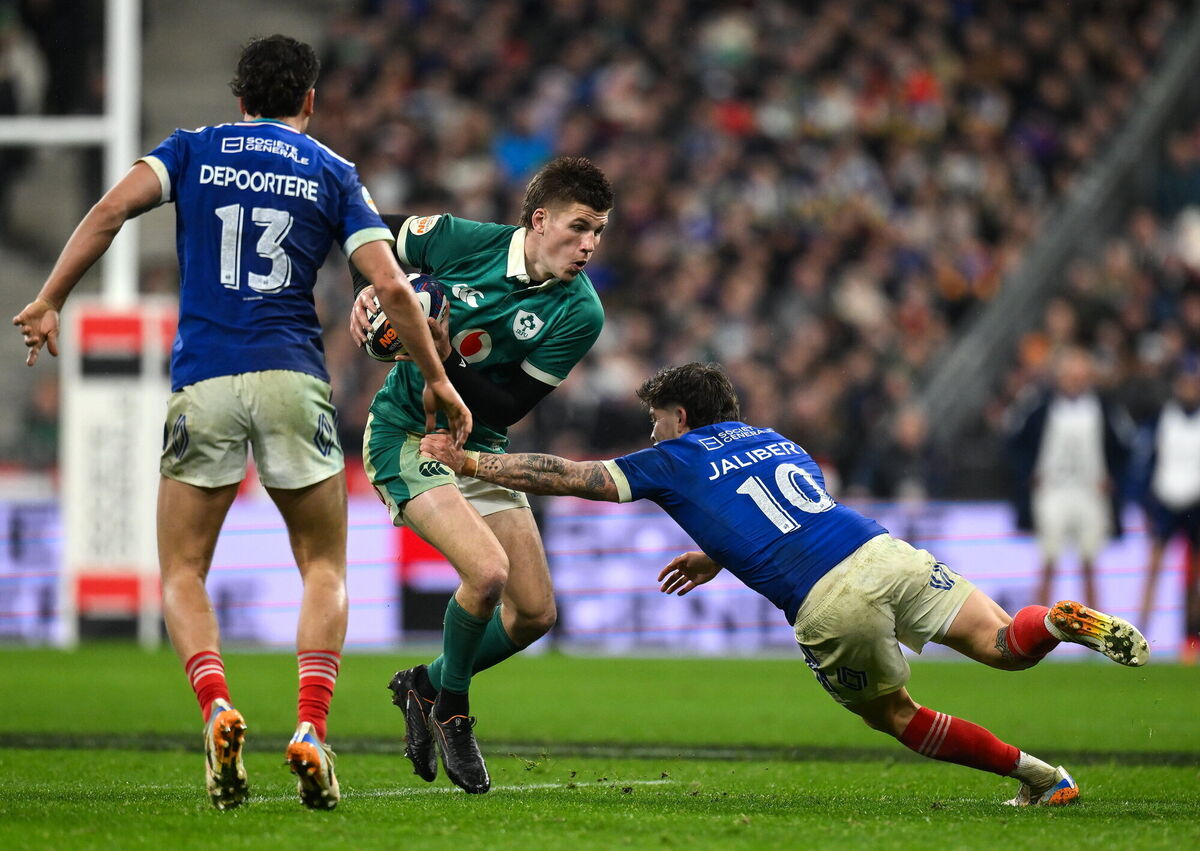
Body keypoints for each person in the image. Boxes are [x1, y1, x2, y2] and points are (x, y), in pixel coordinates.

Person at [11, 34, 470, 811]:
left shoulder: (190, 150)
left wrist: (52, 297)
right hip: (293, 373)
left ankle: (218, 707)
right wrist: (435, 377)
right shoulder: (330, 170)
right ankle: (311, 729)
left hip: (205, 378)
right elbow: (391, 284)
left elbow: (110, 208)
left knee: (183, 569)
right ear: (311, 101)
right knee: (322, 565)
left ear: (239, 97)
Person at [420, 362, 1150, 805]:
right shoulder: (774, 439)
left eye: (654, 419)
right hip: (881, 548)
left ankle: (1041, 774)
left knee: (898, 715)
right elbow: (775, 507)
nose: (650, 434)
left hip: (831, 602)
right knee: (1002, 643)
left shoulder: (674, 456)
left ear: (680, 414)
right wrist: (714, 554)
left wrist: (475, 463)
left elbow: (574, 475)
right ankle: (1055, 622)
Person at [347, 155, 612, 794]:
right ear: (540, 220)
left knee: (535, 614)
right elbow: (363, 226)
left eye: (599, 232)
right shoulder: (462, 243)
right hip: (407, 436)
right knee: (488, 572)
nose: (589, 246)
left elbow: (507, 406)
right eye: (579, 228)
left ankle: (424, 685)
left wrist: (441, 357)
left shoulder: (581, 312)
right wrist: (369, 292)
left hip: (478, 443)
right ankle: (453, 712)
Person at [1006, 347, 1131, 607]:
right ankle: (1038, 631)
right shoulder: (1040, 405)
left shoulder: (1103, 407)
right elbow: (1014, 441)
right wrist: (1028, 475)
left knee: (1089, 562)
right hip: (1053, 490)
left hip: (1090, 492)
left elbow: (1124, 446)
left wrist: (1112, 479)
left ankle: (1096, 632)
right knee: (1049, 559)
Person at [1138, 359, 1200, 659]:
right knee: (1153, 571)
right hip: (1164, 500)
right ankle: (1138, 636)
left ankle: (1190, 639)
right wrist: (1146, 502)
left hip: (1196, 503)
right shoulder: (1163, 416)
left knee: (1194, 578)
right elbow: (1146, 460)